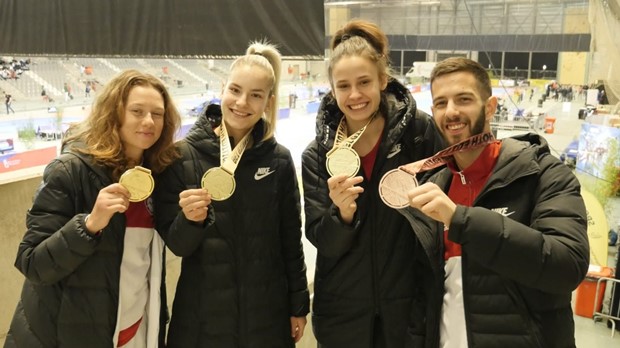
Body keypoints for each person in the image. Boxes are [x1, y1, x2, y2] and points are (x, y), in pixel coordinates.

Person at [401, 57, 590, 347]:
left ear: (490, 107)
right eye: (441, 103)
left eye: (463, 99)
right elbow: (423, 296)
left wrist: (460, 219)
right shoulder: (434, 187)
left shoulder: (542, 173)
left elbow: (567, 267)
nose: (451, 111)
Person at [4, 69, 182, 348]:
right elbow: (32, 263)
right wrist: (89, 225)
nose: (148, 121)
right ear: (114, 113)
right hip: (67, 336)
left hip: (135, 330)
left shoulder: (158, 175)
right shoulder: (69, 171)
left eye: (157, 114)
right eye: (137, 111)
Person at [154, 41, 310, 347]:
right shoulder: (181, 157)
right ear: (222, 88)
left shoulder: (277, 159)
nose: (242, 103)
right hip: (202, 317)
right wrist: (191, 221)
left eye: (256, 95)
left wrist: (298, 305)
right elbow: (176, 245)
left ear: (268, 101)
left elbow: (291, 239)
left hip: (267, 315)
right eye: (235, 90)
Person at [301, 20, 443, 347]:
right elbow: (323, 240)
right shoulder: (317, 154)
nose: (355, 95)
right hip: (342, 314)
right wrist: (342, 216)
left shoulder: (418, 133)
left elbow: (440, 220)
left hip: (408, 310)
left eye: (364, 82)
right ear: (332, 90)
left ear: (382, 80)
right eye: (343, 86)